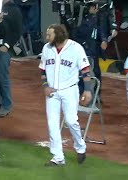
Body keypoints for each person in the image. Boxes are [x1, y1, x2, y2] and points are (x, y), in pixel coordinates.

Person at [39, 24, 91, 166]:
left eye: (50, 34)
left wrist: (87, 90)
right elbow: (42, 70)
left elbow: (85, 71)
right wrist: (45, 86)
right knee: (52, 124)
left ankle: (80, 147)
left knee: (71, 121)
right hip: (52, 92)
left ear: (59, 35)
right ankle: (58, 157)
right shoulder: (47, 49)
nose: (47, 37)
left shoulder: (76, 48)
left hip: (69, 90)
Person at [73, 2, 107, 99]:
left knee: (95, 72)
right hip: (83, 49)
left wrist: (104, 40)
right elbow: (75, 34)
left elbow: (101, 31)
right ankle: (81, 93)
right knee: (82, 72)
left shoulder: (99, 19)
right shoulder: (80, 19)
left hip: (93, 50)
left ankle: (96, 95)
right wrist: (83, 44)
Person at [0, 0, 23, 117]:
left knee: (2, 77)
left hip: (4, 49)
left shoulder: (14, 10)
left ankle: (6, 105)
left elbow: (17, 31)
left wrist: (7, 45)